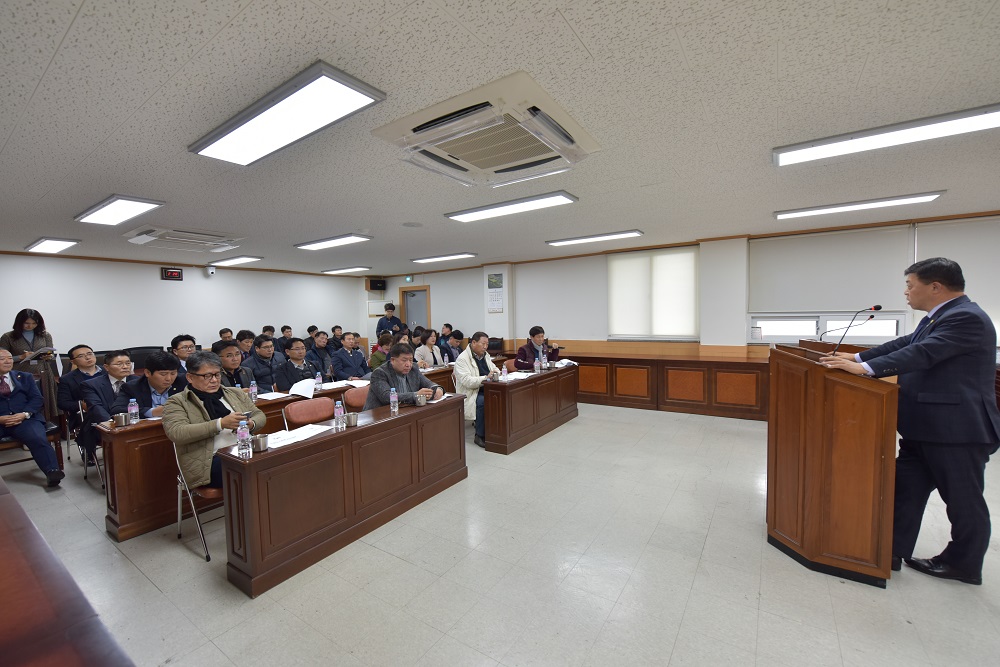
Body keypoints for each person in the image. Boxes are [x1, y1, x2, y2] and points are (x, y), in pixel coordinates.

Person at [820, 257, 1000, 585]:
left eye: (910, 285)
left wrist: (865, 370)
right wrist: (858, 357)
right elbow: (907, 344)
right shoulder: (940, 316)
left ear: (935, 287)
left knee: (963, 501)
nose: (906, 292)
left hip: (956, 430)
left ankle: (964, 564)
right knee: (904, 491)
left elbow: (924, 353)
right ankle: (890, 551)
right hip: (925, 427)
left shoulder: (966, 318)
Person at [162, 351, 265, 489]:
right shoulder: (177, 402)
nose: (215, 380)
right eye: (207, 376)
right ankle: (250, 509)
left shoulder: (234, 393)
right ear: (190, 377)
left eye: (217, 374)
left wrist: (250, 423)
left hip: (244, 449)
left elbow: (259, 415)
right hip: (209, 461)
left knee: (276, 460)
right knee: (252, 470)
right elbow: (177, 433)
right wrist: (220, 424)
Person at [0, 349, 64, 487]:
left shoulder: (24, 377)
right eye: (2, 359)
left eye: (10, 358)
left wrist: (24, 414)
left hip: (25, 419)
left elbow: (36, 398)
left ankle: (52, 471)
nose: (7, 361)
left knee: (37, 437)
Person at [0, 308, 59, 421]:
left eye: (34, 323)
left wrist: (49, 357)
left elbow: (50, 353)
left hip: (43, 370)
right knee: (24, 398)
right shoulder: (8, 337)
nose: (30, 326)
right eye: (27, 323)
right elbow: (2, 357)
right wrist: (21, 357)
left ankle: (45, 422)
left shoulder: (45, 335)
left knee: (45, 398)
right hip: (20, 372)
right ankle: (22, 419)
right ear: (19, 322)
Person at [79, 351, 133, 462]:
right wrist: (113, 424)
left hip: (133, 423)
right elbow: (96, 408)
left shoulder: (138, 381)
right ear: (106, 367)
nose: (125, 367)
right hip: (103, 424)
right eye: (119, 364)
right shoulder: (91, 385)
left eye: (128, 363)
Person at [363, 343, 444, 410]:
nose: (408, 364)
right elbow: (387, 397)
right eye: (404, 360)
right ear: (393, 360)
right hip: (378, 416)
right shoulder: (380, 373)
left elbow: (429, 383)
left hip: (404, 411)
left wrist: (438, 389)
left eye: (411, 360)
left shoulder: (414, 368)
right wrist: (415, 395)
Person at [454, 331, 500, 448]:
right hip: (471, 392)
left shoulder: (485, 355)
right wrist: (485, 378)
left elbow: (494, 368)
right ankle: (479, 435)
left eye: (487, 344)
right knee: (482, 401)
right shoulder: (462, 359)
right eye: (483, 344)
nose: (485, 347)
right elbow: (467, 381)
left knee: (501, 396)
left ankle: (497, 432)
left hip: (487, 387)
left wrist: (497, 373)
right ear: (473, 343)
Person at [112, 351, 185, 417]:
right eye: (163, 374)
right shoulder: (132, 387)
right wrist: (152, 412)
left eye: (173, 373)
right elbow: (116, 410)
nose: (169, 378)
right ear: (147, 373)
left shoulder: (183, 382)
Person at [57, 344, 105, 435]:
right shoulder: (67, 379)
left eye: (90, 354)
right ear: (73, 361)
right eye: (81, 356)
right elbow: (62, 403)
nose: (87, 357)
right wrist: (81, 405)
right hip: (87, 413)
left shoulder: (108, 371)